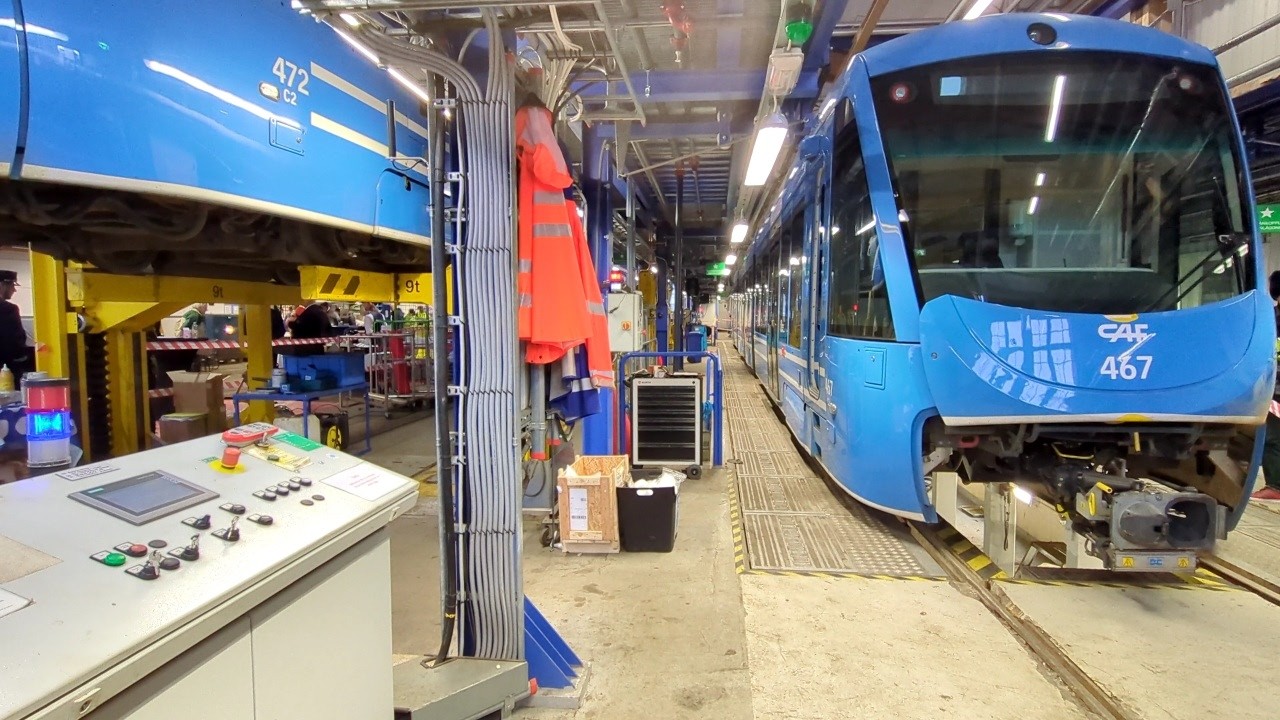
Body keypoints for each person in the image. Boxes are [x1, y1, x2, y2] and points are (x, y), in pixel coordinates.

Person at [1256, 271, 1280, 500]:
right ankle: (1275, 485)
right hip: (1273, 389)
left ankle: (1276, 486)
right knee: (1272, 436)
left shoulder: (1270, 320)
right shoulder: (1269, 320)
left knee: (1273, 437)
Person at [0, 271, 33, 378]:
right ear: (2, 285)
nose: (14, 290)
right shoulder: (8, 309)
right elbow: (15, 344)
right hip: (6, 371)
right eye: (12, 285)